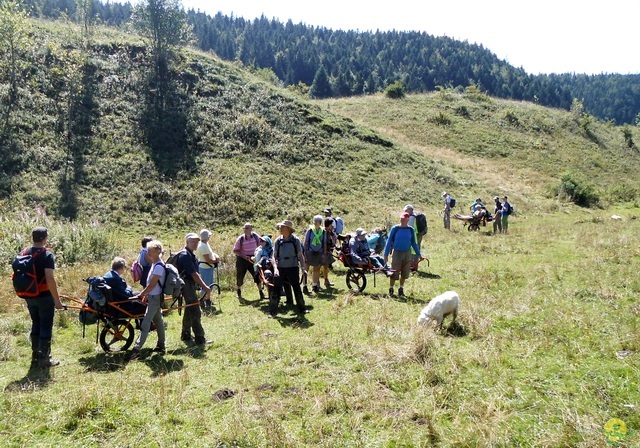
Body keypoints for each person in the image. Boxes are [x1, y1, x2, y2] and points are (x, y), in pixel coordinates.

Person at [20, 227, 64, 368]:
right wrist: (57, 300)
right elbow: (50, 278)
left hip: (29, 295)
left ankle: (35, 357)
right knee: (45, 325)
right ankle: (45, 359)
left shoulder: (24, 252)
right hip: (44, 296)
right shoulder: (47, 255)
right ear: (45, 238)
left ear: (33, 237)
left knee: (36, 324)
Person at [129, 240, 166, 359]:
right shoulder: (155, 263)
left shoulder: (159, 266)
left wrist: (142, 294)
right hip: (152, 297)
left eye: (150, 251)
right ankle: (161, 346)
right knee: (159, 322)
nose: (148, 253)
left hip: (155, 298)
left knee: (145, 324)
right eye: (148, 250)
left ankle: (137, 349)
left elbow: (152, 285)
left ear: (156, 252)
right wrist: (145, 295)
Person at [175, 233, 212, 346]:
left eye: (197, 242)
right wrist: (205, 287)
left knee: (189, 309)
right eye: (192, 241)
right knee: (195, 311)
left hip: (188, 284)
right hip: (186, 285)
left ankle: (185, 334)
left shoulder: (189, 254)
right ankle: (200, 338)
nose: (195, 244)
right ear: (187, 242)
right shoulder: (185, 255)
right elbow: (193, 274)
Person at [271, 219, 308, 317]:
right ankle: (273, 312)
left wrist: (303, 268)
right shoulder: (278, 241)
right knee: (276, 289)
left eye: (282, 227)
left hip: (293, 267)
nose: (280, 228)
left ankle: (302, 308)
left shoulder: (295, 240)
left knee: (296, 288)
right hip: (280, 268)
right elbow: (273, 257)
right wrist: (275, 269)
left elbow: (300, 255)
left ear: (288, 229)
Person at [384, 213, 422, 297]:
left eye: (404, 219)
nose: (402, 220)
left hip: (407, 253)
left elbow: (413, 243)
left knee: (405, 272)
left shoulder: (410, 229)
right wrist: (385, 254)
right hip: (397, 252)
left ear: (408, 220)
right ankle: (391, 289)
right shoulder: (395, 228)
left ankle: (401, 289)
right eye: (401, 219)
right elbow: (389, 241)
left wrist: (419, 254)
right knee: (394, 271)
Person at [233, 222, 264, 301]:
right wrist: (244, 256)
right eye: (244, 228)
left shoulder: (255, 236)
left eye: (247, 228)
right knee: (240, 277)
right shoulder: (241, 238)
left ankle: (261, 292)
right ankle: (239, 291)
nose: (245, 230)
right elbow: (235, 250)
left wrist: (258, 255)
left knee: (257, 275)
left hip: (253, 259)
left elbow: (261, 244)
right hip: (242, 260)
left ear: (251, 229)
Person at [303, 215, 328, 293]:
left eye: (316, 221)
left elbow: (324, 243)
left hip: (319, 252)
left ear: (320, 222)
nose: (315, 222)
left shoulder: (323, 232)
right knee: (306, 269)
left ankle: (314, 285)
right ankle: (304, 286)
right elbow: (306, 242)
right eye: (314, 221)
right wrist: (304, 253)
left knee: (316, 269)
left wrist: (324, 254)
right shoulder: (310, 231)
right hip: (309, 252)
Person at [196, 229, 220, 294]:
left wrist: (216, 256)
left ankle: (207, 299)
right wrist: (216, 261)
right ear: (206, 237)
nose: (209, 237)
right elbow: (208, 260)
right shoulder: (203, 246)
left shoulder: (205, 243)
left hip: (208, 268)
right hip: (206, 268)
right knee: (206, 286)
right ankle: (203, 301)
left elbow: (210, 253)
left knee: (209, 285)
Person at [322, 217, 337, 287]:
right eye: (332, 224)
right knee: (319, 267)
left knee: (325, 266)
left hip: (327, 252)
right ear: (328, 224)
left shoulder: (330, 232)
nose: (333, 226)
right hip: (322, 252)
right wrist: (327, 251)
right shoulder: (323, 232)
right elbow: (323, 243)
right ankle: (317, 283)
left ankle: (326, 280)